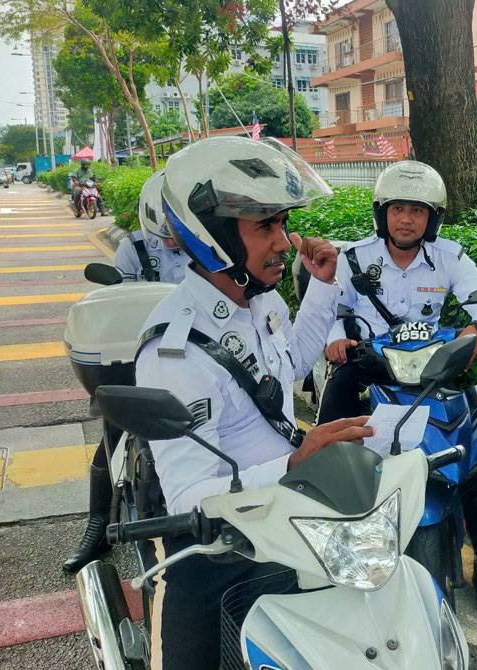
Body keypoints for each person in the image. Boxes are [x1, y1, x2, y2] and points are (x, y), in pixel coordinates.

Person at [134, 136, 373, 669]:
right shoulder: (174, 351)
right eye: (265, 227)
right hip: (216, 545)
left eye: (283, 224)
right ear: (212, 235)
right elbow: (189, 500)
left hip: (287, 514)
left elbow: (283, 374)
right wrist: (292, 462)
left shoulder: (259, 304)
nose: (285, 243)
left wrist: (323, 286)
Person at [316, 160, 477, 614]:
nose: (406, 219)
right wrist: (336, 342)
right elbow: (329, 311)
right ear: (382, 213)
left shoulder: (452, 258)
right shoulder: (355, 259)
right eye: (398, 208)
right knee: (331, 444)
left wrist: (474, 333)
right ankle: (328, 526)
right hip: (370, 368)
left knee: (470, 451)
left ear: (432, 218)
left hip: (430, 373)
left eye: (417, 211)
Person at [62, 171, 188, 574]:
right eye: (164, 227)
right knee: (112, 433)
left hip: (195, 360)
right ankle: (97, 526)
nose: (172, 237)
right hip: (139, 355)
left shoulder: (212, 248)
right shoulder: (133, 249)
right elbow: (122, 301)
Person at [113, 170, 188, 283]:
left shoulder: (210, 247)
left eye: (176, 236)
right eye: (163, 236)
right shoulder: (134, 246)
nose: (171, 243)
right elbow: (120, 291)